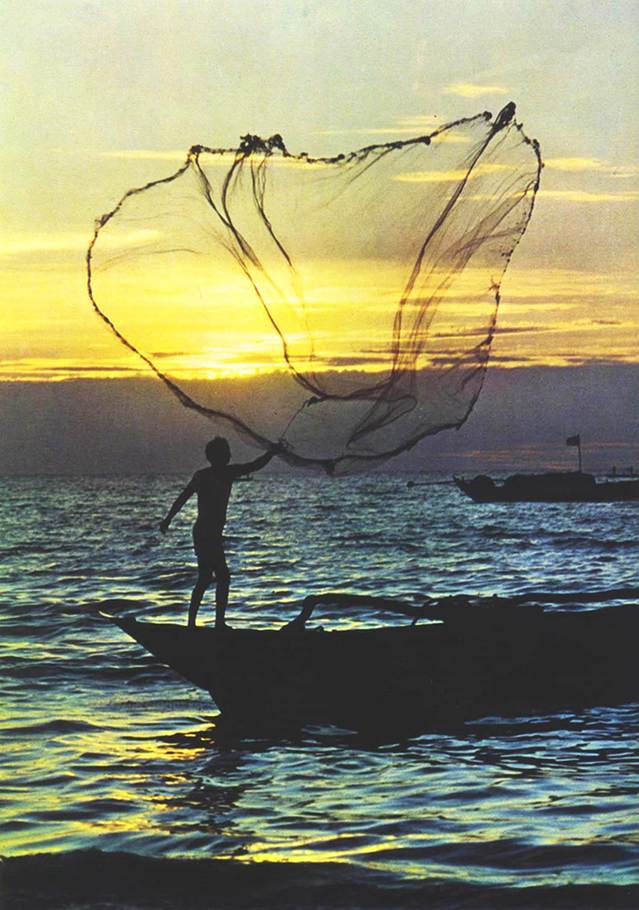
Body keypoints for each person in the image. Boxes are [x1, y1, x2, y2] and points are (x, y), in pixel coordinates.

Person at [159, 437, 278, 629]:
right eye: (226, 452)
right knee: (220, 576)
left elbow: (254, 466)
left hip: (211, 534)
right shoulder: (204, 476)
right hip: (204, 534)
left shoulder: (227, 473)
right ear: (217, 456)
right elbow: (183, 498)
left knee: (207, 577)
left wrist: (271, 453)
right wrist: (168, 519)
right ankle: (213, 623)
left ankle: (199, 623)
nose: (229, 455)